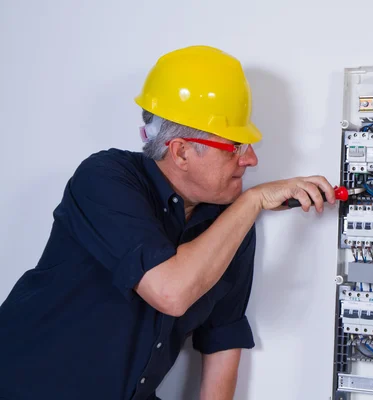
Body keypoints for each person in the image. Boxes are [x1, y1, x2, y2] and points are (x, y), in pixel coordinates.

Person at [0, 45, 335, 400]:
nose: (251, 159)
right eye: (235, 146)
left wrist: (244, 209)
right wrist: (252, 201)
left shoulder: (229, 222)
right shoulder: (105, 179)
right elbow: (170, 292)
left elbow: (221, 339)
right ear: (181, 152)